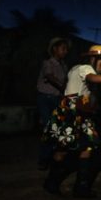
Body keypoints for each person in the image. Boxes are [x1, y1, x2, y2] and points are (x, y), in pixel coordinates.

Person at [42, 44, 101, 198]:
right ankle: (52, 182)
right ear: (92, 58)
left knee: (87, 147)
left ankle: (81, 188)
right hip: (70, 112)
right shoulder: (83, 68)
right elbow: (91, 78)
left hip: (82, 114)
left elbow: (89, 96)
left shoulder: (86, 73)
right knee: (63, 150)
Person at [36, 37, 70, 170]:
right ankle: (44, 159)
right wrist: (65, 88)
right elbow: (50, 77)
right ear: (55, 48)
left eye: (66, 49)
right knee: (49, 128)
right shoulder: (48, 63)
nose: (65, 51)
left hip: (57, 99)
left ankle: (50, 158)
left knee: (55, 129)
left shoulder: (64, 65)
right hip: (45, 98)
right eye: (63, 48)